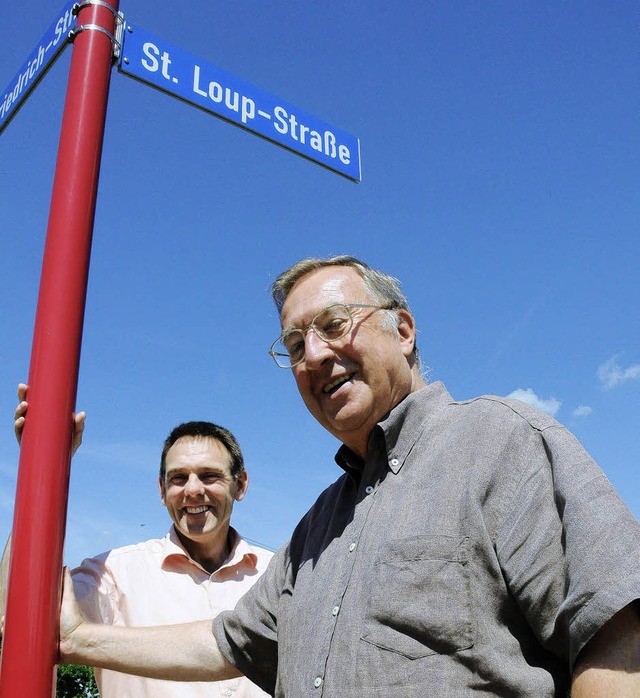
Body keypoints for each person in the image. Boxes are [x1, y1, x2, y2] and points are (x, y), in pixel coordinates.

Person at [58, 255, 640, 696]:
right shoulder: (316, 530)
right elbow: (225, 642)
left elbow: (616, 639)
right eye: (294, 344)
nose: (312, 355)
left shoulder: (501, 442)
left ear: (404, 331)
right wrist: (80, 640)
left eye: (334, 324)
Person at [14, 386, 273, 697]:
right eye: (178, 478)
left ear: (240, 484)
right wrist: (41, 464)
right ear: (162, 491)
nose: (192, 490)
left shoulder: (278, 574)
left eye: (209, 476)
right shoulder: (112, 573)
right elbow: (16, 613)